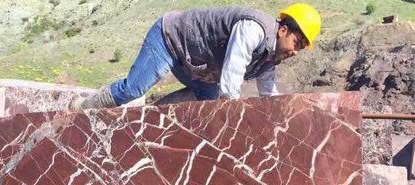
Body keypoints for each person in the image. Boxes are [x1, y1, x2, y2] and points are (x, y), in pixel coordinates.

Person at [75, 4, 321, 109]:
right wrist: (234, 112)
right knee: (133, 89)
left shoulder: (269, 59)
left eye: (301, 48)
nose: (295, 51)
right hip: (170, 39)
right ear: (283, 30)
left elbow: (269, 96)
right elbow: (232, 75)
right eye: (296, 43)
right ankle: (82, 109)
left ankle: (149, 116)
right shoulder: (254, 28)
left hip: (198, 66)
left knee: (204, 103)